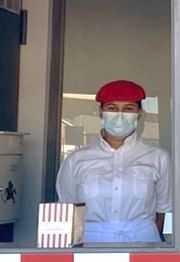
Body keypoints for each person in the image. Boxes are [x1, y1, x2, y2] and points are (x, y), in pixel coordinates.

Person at [56, 79, 170, 243]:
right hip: (91, 245)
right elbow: (68, 210)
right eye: (112, 108)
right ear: (101, 113)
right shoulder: (76, 160)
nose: (120, 115)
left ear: (139, 114)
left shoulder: (158, 158)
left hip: (144, 244)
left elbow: (162, 210)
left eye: (128, 109)